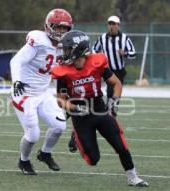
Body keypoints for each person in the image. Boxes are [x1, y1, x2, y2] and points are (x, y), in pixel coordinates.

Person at [51, 30, 148, 187]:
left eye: (67, 49)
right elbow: (61, 101)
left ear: (78, 49)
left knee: (120, 144)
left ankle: (133, 176)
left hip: (99, 109)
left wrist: (114, 101)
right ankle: (76, 134)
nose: (64, 53)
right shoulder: (63, 72)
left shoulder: (97, 63)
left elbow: (116, 83)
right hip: (80, 117)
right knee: (93, 160)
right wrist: (75, 108)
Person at [10, 8, 73, 175]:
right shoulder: (38, 41)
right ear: (48, 26)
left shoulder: (65, 46)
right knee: (33, 136)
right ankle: (24, 161)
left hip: (43, 92)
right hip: (24, 92)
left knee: (59, 126)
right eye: (57, 27)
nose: (60, 31)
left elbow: (66, 72)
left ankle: (45, 154)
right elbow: (15, 61)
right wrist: (16, 81)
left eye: (64, 28)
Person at [92, 15, 136, 98]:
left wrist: (125, 53)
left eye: (114, 24)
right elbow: (94, 49)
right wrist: (98, 59)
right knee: (110, 92)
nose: (111, 26)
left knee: (116, 95)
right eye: (109, 24)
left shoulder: (125, 38)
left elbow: (133, 53)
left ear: (118, 26)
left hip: (119, 71)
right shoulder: (102, 38)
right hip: (108, 70)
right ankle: (110, 109)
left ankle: (112, 109)